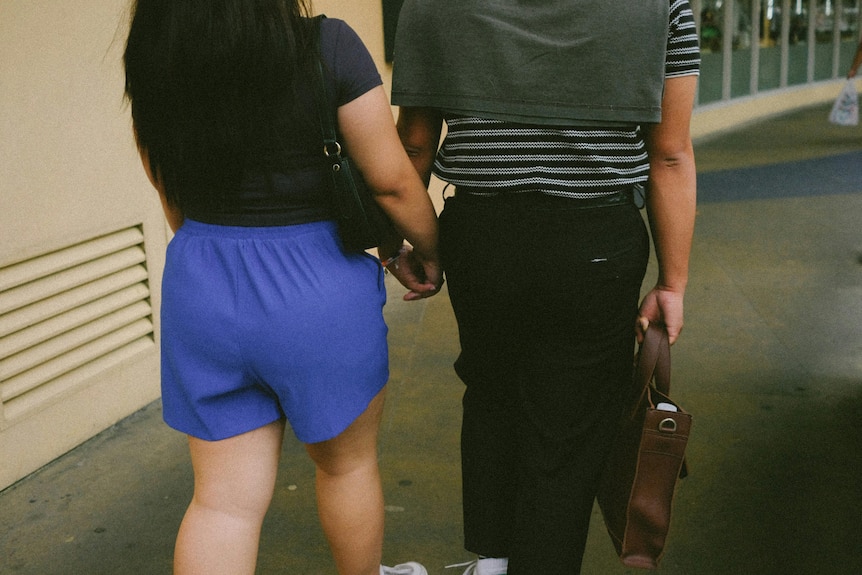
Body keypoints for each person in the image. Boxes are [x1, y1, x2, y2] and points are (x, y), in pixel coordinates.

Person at [123, 1, 442, 574]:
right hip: (317, 287)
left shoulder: (154, 53)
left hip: (201, 282)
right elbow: (392, 182)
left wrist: (215, 254)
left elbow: (163, 177)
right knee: (345, 467)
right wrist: (426, 250)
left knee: (222, 503)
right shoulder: (328, 46)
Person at [391, 1, 700, 573]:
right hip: (594, 244)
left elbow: (414, 142)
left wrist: (409, 244)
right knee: (571, 427)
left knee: (491, 392)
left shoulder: (432, 5)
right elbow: (671, 153)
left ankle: (493, 562)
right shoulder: (661, 7)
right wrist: (672, 283)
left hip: (482, 237)